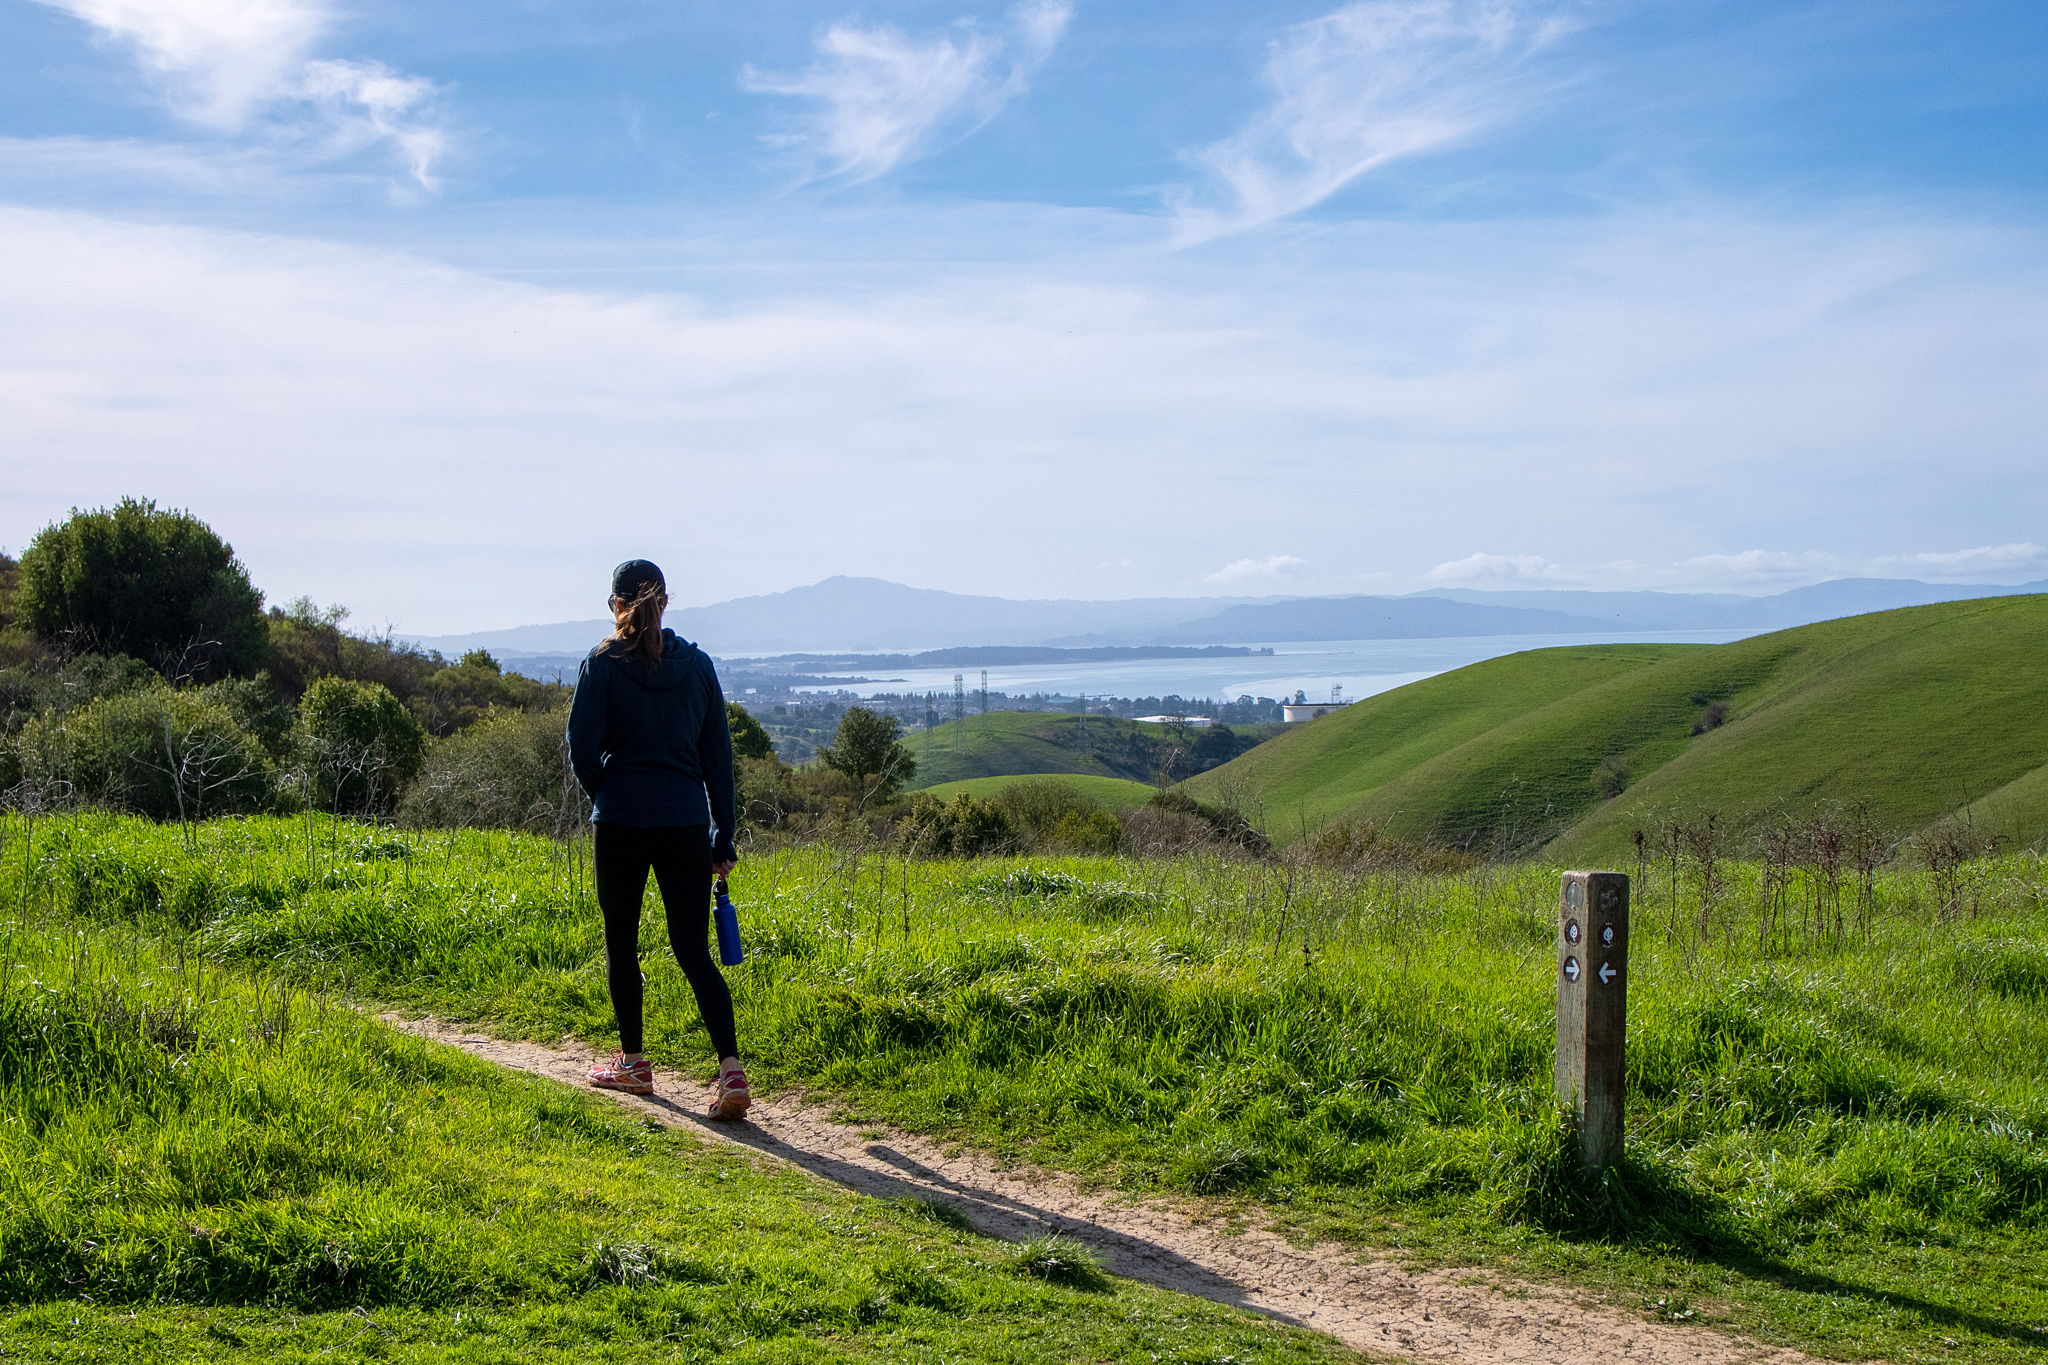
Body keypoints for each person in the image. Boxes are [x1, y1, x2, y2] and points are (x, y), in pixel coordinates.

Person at [567, 558, 750, 1119]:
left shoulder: (601, 665)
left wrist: (612, 792)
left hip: (619, 822)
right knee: (693, 951)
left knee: (621, 942)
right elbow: (719, 759)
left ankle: (635, 1064)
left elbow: (581, 749)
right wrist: (722, 833)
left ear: (613, 605)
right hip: (686, 823)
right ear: (665, 603)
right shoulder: (697, 667)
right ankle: (731, 1071)